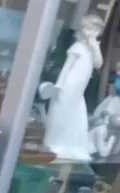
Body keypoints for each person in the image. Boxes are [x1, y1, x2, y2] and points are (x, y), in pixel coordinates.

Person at [42, 14, 106, 162]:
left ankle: (71, 145)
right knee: (61, 113)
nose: (93, 32)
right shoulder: (77, 47)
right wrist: (59, 84)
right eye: (90, 28)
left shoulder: (92, 49)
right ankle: (55, 142)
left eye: (96, 29)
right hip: (68, 86)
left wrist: (95, 46)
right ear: (83, 29)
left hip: (79, 90)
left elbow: (98, 64)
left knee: (77, 117)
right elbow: (67, 67)